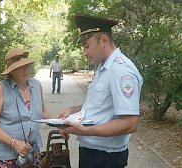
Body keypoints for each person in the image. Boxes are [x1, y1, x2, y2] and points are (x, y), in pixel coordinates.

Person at [57, 14, 143, 168]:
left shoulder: (121, 71)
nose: (84, 52)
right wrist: (72, 111)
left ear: (103, 40)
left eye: (86, 45)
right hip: (93, 153)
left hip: (105, 158)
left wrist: (86, 130)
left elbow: (130, 123)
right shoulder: (104, 68)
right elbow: (99, 106)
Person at [0, 48, 53, 168]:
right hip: (5, 157)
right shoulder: (1, 88)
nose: (25, 69)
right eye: (20, 66)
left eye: (27, 65)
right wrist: (14, 142)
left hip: (31, 152)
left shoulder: (36, 85)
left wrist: (60, 124)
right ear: (11, 71)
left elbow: (42, 110)